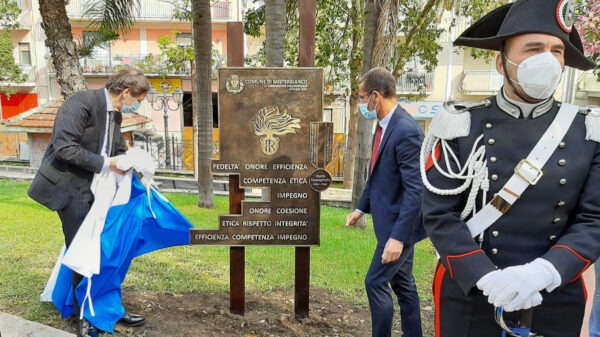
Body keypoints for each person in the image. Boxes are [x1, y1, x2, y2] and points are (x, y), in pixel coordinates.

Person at [421, 0, 600, 336]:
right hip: (471, 290)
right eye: (533, 48)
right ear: (502, 63)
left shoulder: (589, 131)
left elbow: (595, 220)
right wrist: (484, 276)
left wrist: (544, 272)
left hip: (554, 293)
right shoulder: (460, 124)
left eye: (556, 51)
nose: (547, 59)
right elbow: (438, 215)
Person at [28, 67, 151, 337]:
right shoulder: (81, 102)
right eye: (137, 100)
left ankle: (109, 308)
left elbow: (116, 149)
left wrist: (135, 165)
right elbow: (64, 147)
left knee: (106, 250)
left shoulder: (114, 114)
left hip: (100, 190)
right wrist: (108, 163)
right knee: (84, 251)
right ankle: (84, 315)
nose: (136, 106)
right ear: (127, 92)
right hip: (70, 188)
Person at [345, 67, 426, 337]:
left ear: (376, 96)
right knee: (404, 285)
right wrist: (360, 208)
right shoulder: (385, 126)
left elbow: (416, 191)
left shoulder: (406, 131)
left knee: (375, 282)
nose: (360, 103)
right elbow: (379, 176)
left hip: (398, 229)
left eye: (361, 97)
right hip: (393, 224)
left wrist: (398, 238)